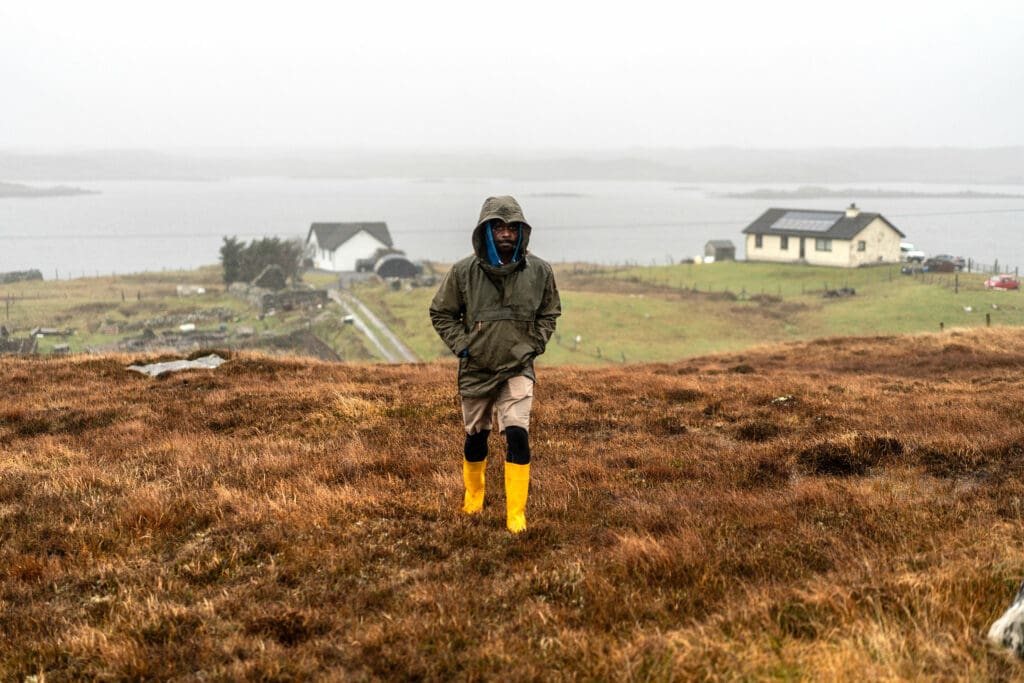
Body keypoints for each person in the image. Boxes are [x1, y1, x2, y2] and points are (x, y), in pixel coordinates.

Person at [430, 196, 561, 533]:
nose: (506, 234)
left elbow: (549, 312)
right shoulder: (462, 272)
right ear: (486, 230)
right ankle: (474, 497)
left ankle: (516, 515)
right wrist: (463, 347)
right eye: (499, 227)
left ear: (522, 232)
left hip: (518, 367)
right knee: (477, 436)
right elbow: (441, 313)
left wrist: (535, 344)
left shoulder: (541, 271)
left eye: (512, 228)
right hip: (476, 368)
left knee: (518, 434)